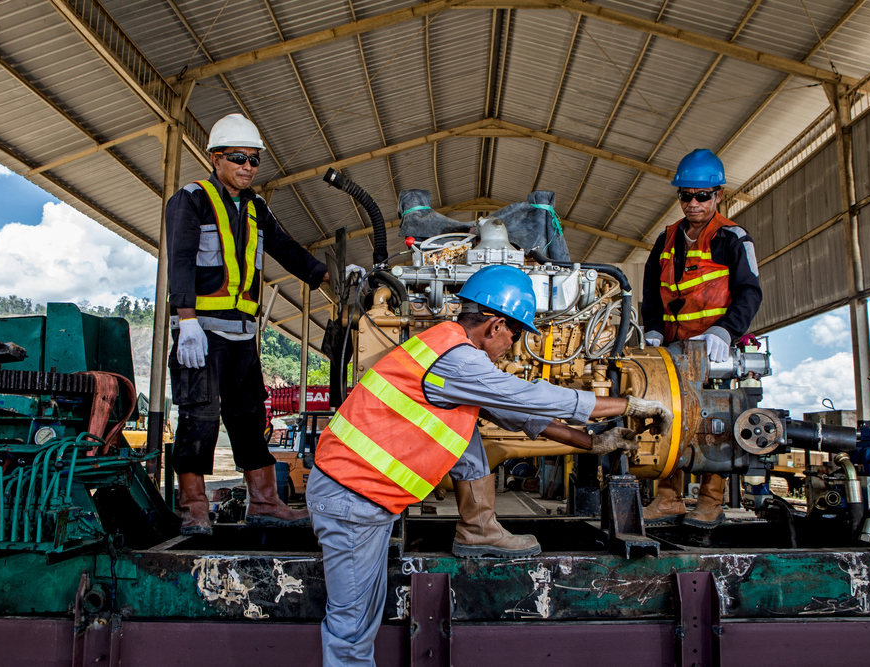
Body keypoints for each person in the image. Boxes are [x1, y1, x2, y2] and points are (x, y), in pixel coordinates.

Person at [307, 265, 673, 666]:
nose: (514, 346)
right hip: (352, 499)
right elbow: (529, 397)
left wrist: (591, 441)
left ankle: (478, 528)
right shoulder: (459, 360)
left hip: (363, 497)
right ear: (496, 324)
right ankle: (478, 528)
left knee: (361, 622)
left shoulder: (444, 346)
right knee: (351, 631)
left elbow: (512, 412)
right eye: (515, 334)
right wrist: (627, 405)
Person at [166, 113, 330, 535]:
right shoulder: (191, 199)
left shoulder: (257, 207)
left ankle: (264, 503)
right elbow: (181, 259)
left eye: (254, 160)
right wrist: (186, 322)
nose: (248, 167)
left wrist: (329, 275)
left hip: (241, 335)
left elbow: (287, 250)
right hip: (200, 331)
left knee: (250, 416)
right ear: (216, 158)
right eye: (239, 158)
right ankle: (194, 511)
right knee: (199, 419)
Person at [641, 148, 763, 529]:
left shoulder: (732, 238)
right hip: (673, 349)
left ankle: (710, 501)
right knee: (667, 417)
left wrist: (725, 331)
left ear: (718, 195)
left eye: (702, 196)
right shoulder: (666, 240)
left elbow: (750, 292)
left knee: (717, 421)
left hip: (714, 348)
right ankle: (668, 499)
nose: (692, 204)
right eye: (685, 196)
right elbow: (650, 292)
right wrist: (653, 329)